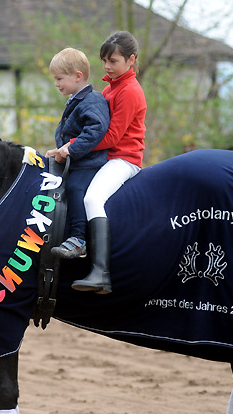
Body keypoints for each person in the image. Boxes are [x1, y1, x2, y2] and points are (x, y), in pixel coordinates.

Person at [70, 31, 147, 294]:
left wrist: (73, 146)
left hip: (124, 159)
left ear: (131, 60)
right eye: (104, 60)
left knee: (93, 199)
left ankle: (101, 273)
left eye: (113, 61)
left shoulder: (130, 91)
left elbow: (113, 135)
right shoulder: (109, 88)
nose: (106, 66)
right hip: (107, 157)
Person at [46, 47, 110, 259]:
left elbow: (95, 130)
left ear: (78, 76)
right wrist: (59, 150)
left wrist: (70, 149)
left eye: (59, 78)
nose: (56, 84)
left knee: (75, 188)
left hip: (89, 164)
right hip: (75, 161)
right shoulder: (76, 99)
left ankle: (79, 238)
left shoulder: (93, 100)